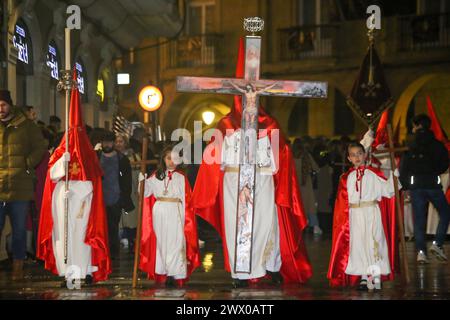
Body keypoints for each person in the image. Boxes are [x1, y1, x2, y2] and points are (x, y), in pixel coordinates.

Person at [192, 40, 312, 288]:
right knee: (237, 226)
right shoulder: (225, 125)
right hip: (234, 182)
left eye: (254, 92)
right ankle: (241, 272)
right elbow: (214, 158)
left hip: (263, 179)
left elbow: (281, 156)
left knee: (267, 223)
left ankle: (270, 265)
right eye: (244, 92)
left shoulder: (270, 124)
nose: (249, 96)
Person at [38, 84, 111, 285]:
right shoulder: (60, 153)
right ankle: (68, 272)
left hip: (82, 203)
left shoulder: (88, 155)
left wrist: (78, 193)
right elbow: (52, 176)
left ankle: (85, 270)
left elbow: (93, 182)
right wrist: (63, 162)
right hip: (63, 201)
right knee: (64, 237)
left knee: (82, 237)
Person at [328, 142, 398, 291]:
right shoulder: (346, 177)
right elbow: (341, 201)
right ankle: (364, 278)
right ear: (349, 158)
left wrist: (394, 177)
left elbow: (388, 191)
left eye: (359, 153)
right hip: (355, 215)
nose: (357, 157)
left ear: (365, 155)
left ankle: (375, 278)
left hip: (371, 212)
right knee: (358, 245)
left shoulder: (373, 173)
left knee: (374, 243)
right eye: (353, 155)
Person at [0, 90, 46, 280]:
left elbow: (40, 147)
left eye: (2, 104)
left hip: (20, 187)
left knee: (19, 230)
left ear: (10, 105)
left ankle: (18, 265)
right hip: (0, 186)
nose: (0, 109)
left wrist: (28, 164)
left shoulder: (26, 126)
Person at [139, 145, 200, 287]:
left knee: (176, 241)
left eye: (174, 158)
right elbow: (146, 193)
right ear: (163, 160)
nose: (171, 161)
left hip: (175, 210)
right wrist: (142, 181)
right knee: (161, 242)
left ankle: (175, 273)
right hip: (159, 211)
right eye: (168, 158)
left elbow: (186, 199)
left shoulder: (181, 177)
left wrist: (186, 218)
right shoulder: (156, 176)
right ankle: (164, 270)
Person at [399, 114, 450, 263]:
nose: (413, 129)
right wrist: (435, 171)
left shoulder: (410, 144)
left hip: (416, 186)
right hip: (433, 184)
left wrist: (405, 185)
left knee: (419, 220)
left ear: (418, 126)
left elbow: (404, 167)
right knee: (445, 212)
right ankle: (438, 243)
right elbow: (445, 163)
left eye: (414, 126)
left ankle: (421, 252)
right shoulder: (437, 144)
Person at [98, 131, 134, 260]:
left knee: (113, 228)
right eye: (104, 141)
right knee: (100, 228)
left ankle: (113, 255)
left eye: (109, 141)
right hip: (98, 199)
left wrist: (123, 197)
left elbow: (127, 181)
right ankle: (102, 253)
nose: (107, 144)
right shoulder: (95, 157)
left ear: (113, 143)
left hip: (115, 199)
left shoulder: (122, 160)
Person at [114, 133, 140, 253]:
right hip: (116, 190)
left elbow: (137, 174)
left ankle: (131, 238)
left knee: (131, 216)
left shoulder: (134, 157)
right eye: (117, 141)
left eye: (121, 141)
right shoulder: (112, 156)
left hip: (131, 189)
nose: (119, 144)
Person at [293, 138, 322, 235]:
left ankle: (298, 226)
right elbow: (316, 168)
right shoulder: (306, 156)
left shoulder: (290, 156)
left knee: (297, 206)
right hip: (306, 184)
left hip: (294, 186)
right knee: (310, 207)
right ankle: (315, 227)